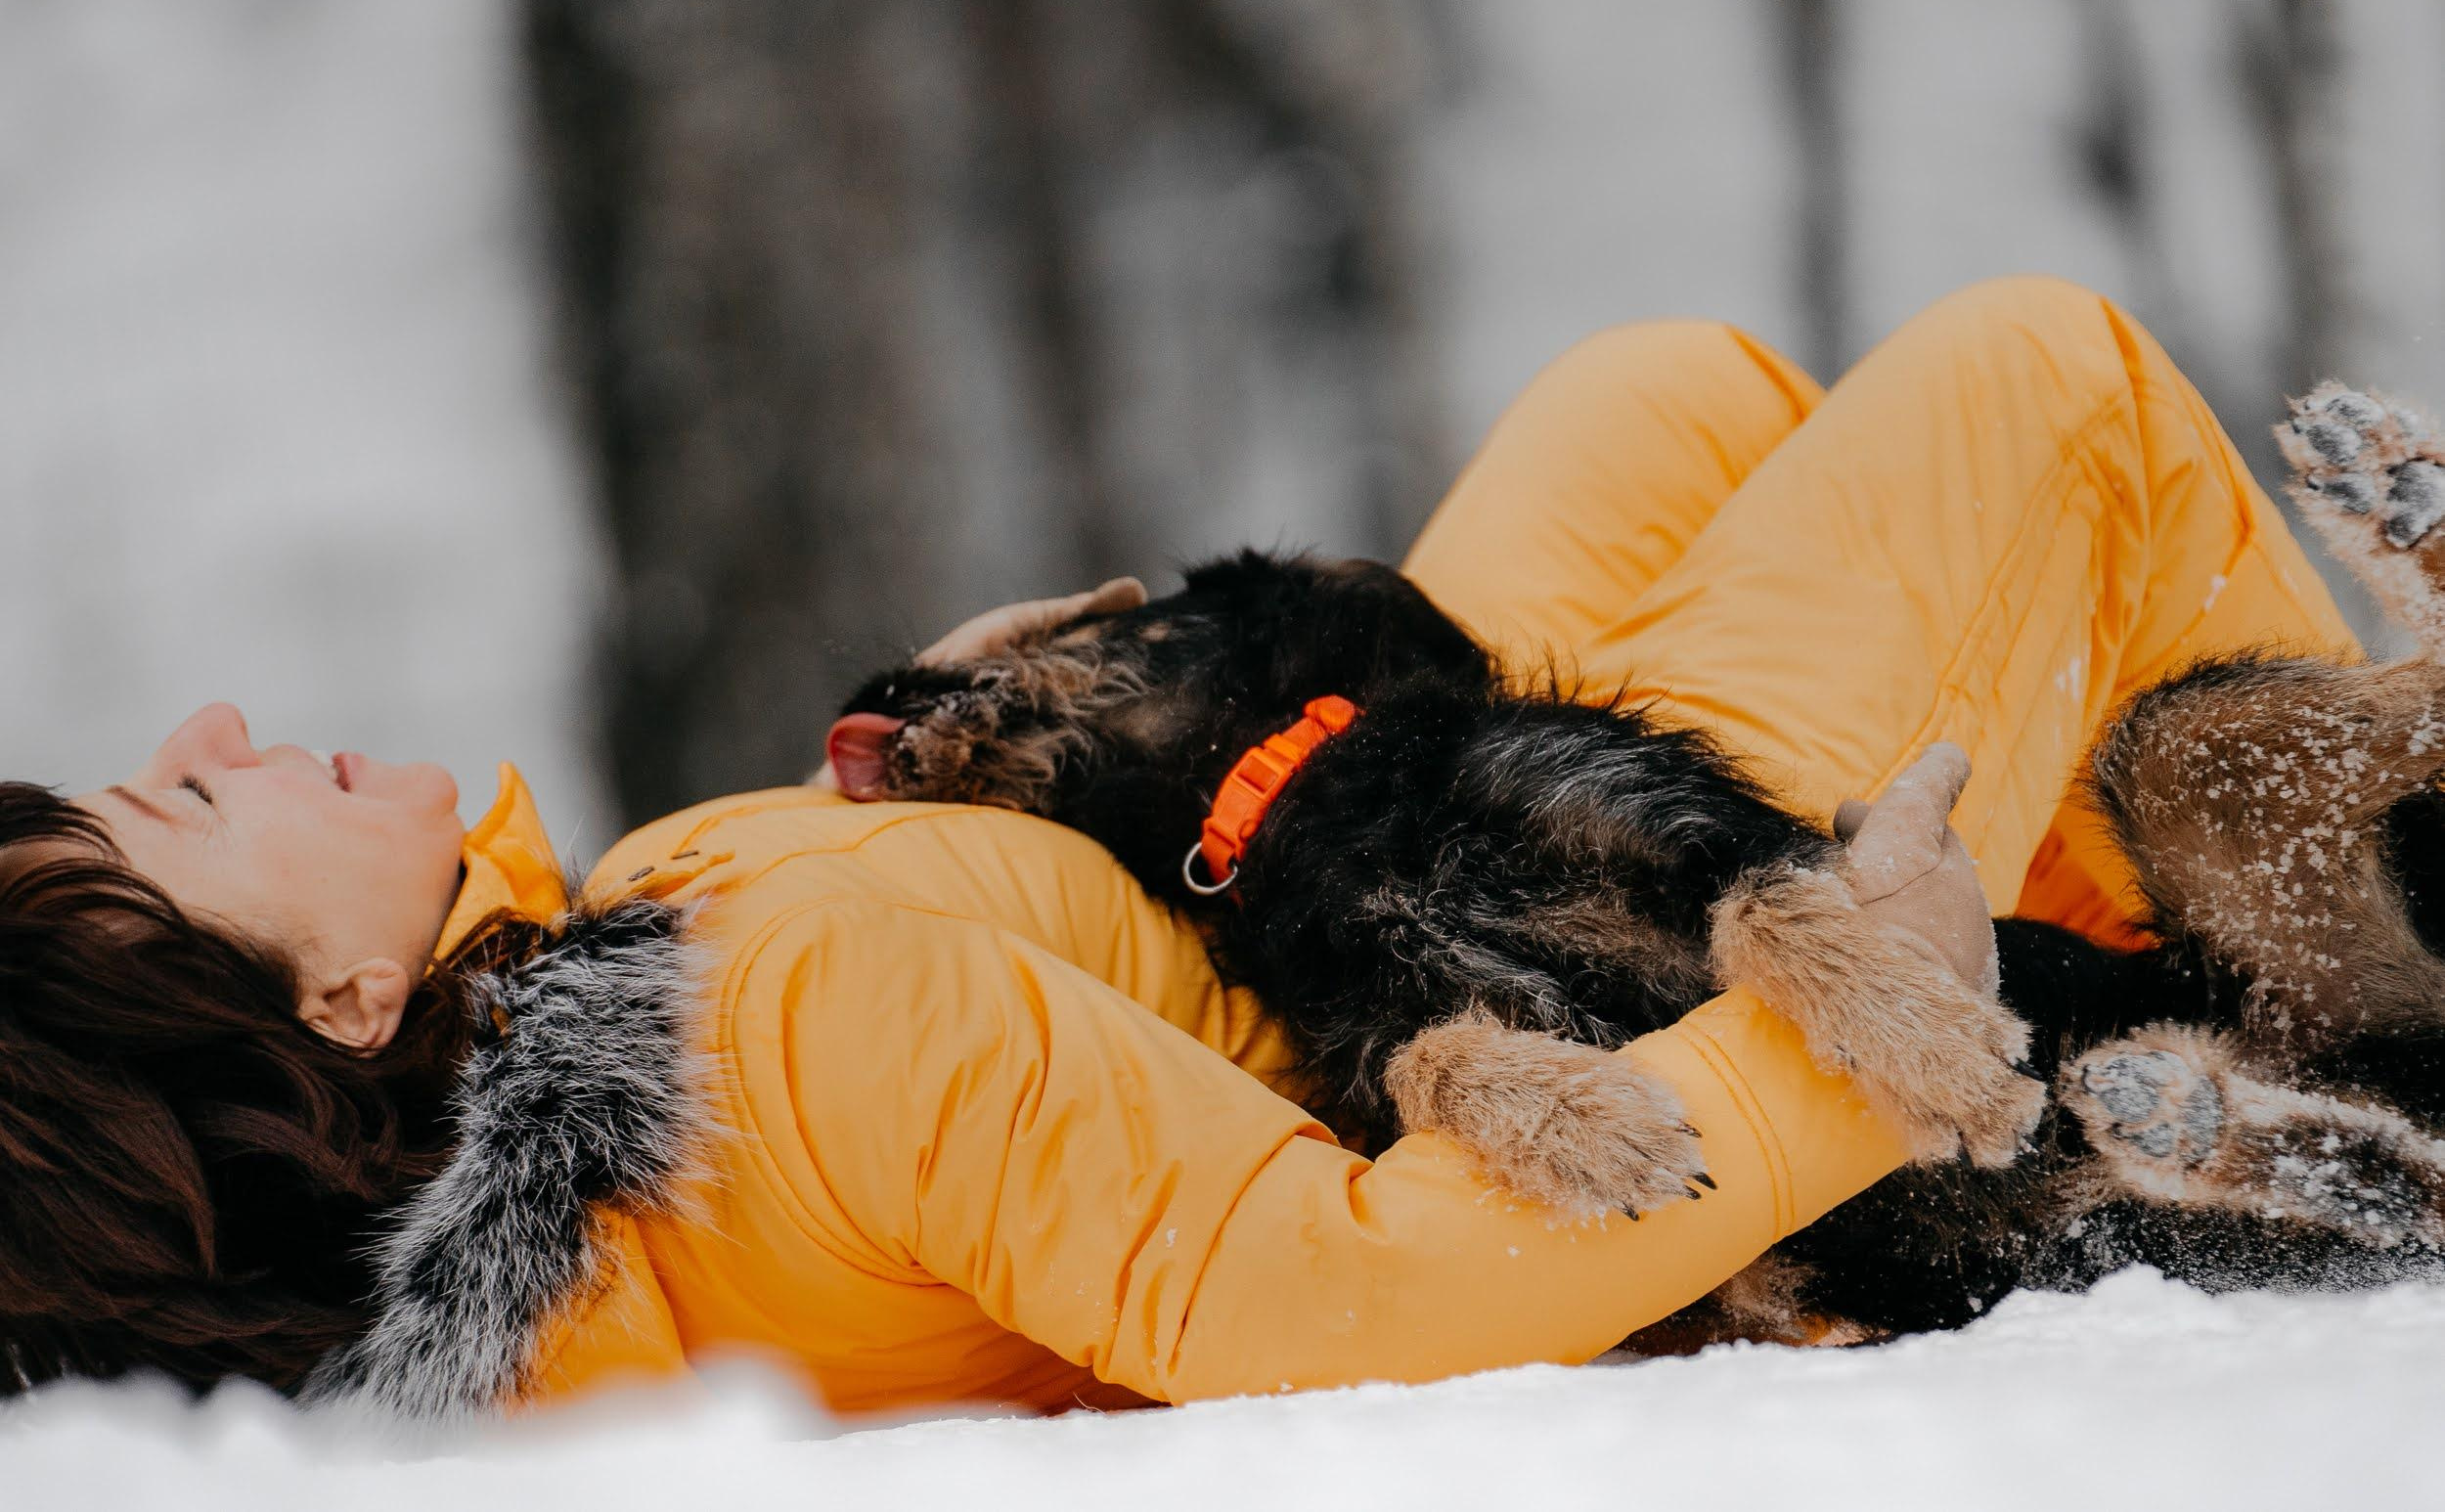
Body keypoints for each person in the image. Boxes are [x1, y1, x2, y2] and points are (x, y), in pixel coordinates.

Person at [0, 277, 2354, 1421]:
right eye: (184, 800)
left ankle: (2123, 938)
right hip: (1528, 945)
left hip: (1315, 830)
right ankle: (2328, 924)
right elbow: (1349, 1298)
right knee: (2043, 388)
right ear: (329, 1004)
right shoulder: (780, 1043)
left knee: (1671, 392)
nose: (212, 726)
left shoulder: (573, 1054)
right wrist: (1845, 1016)